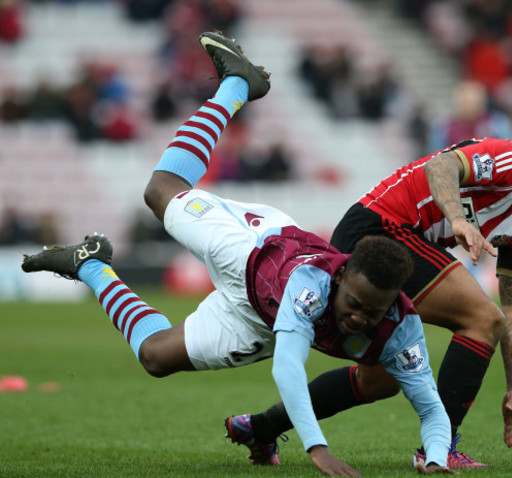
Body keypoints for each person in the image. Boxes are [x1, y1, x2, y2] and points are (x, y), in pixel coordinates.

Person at [20, 31, 454, 477]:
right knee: (160, 191)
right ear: (340, 279)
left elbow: (432, 409)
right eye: (356, 305)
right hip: (250, 249)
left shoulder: (402, 328)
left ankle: (90, 263)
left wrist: (437, 460)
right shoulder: (313, 285)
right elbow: (288, 367)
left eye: (374, 311)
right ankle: (238, 85)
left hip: (259, 317)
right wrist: (318, 449)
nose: (361, 318)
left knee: (154, 356)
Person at [242, 110, 512, 468]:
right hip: (379, 227)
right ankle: (441, 447)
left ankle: (260, 427)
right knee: (482, 318)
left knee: (383, 378)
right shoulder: (511, 159)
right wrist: (459, 221)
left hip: (401, 240)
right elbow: (441, 166)